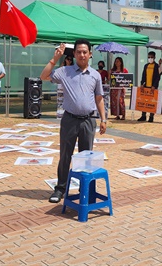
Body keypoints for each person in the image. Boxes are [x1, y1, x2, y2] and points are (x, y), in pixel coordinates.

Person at [40, 39, 106, 203]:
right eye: (79, 52)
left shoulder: (95, 75)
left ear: (90, 54)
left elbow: (99, 98)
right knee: (65, 156)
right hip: (69, 119)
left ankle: (87, 190)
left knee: (86, 157)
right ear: (74, 54)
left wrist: (104, 119)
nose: (82, 55)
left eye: (85, 52)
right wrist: (55, 58)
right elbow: (44, 76)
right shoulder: (65, 71)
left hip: (88, 121)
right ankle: (60, 189)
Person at [138, 51, 161, 122]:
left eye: (151, 57)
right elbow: (143, 75)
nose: (150, 58)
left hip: (153, 87)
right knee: (144, 101)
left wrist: (154, 85)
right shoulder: (146, 65)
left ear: (154, 57)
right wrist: (142, 84)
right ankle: (143, 116)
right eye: (149, 57)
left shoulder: (157, 66)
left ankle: (151, 117)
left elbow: (158, 77)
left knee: (152, 102)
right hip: (146, 86)